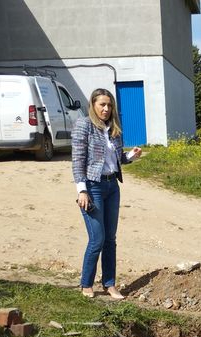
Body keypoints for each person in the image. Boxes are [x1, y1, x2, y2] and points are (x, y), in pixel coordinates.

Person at [72, 88, 142, 299]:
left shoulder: (114, 128)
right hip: (92, 187)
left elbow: (116, 158)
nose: (106, 108)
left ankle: (109, 284)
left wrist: (130, 156)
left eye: (109, 105)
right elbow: (78, 161)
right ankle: (86, 284)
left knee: (110, 239)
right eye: (102, 104)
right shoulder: (84, 125)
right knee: (97, 238)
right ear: (93, 105)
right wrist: (82, 190)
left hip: (112, 187)